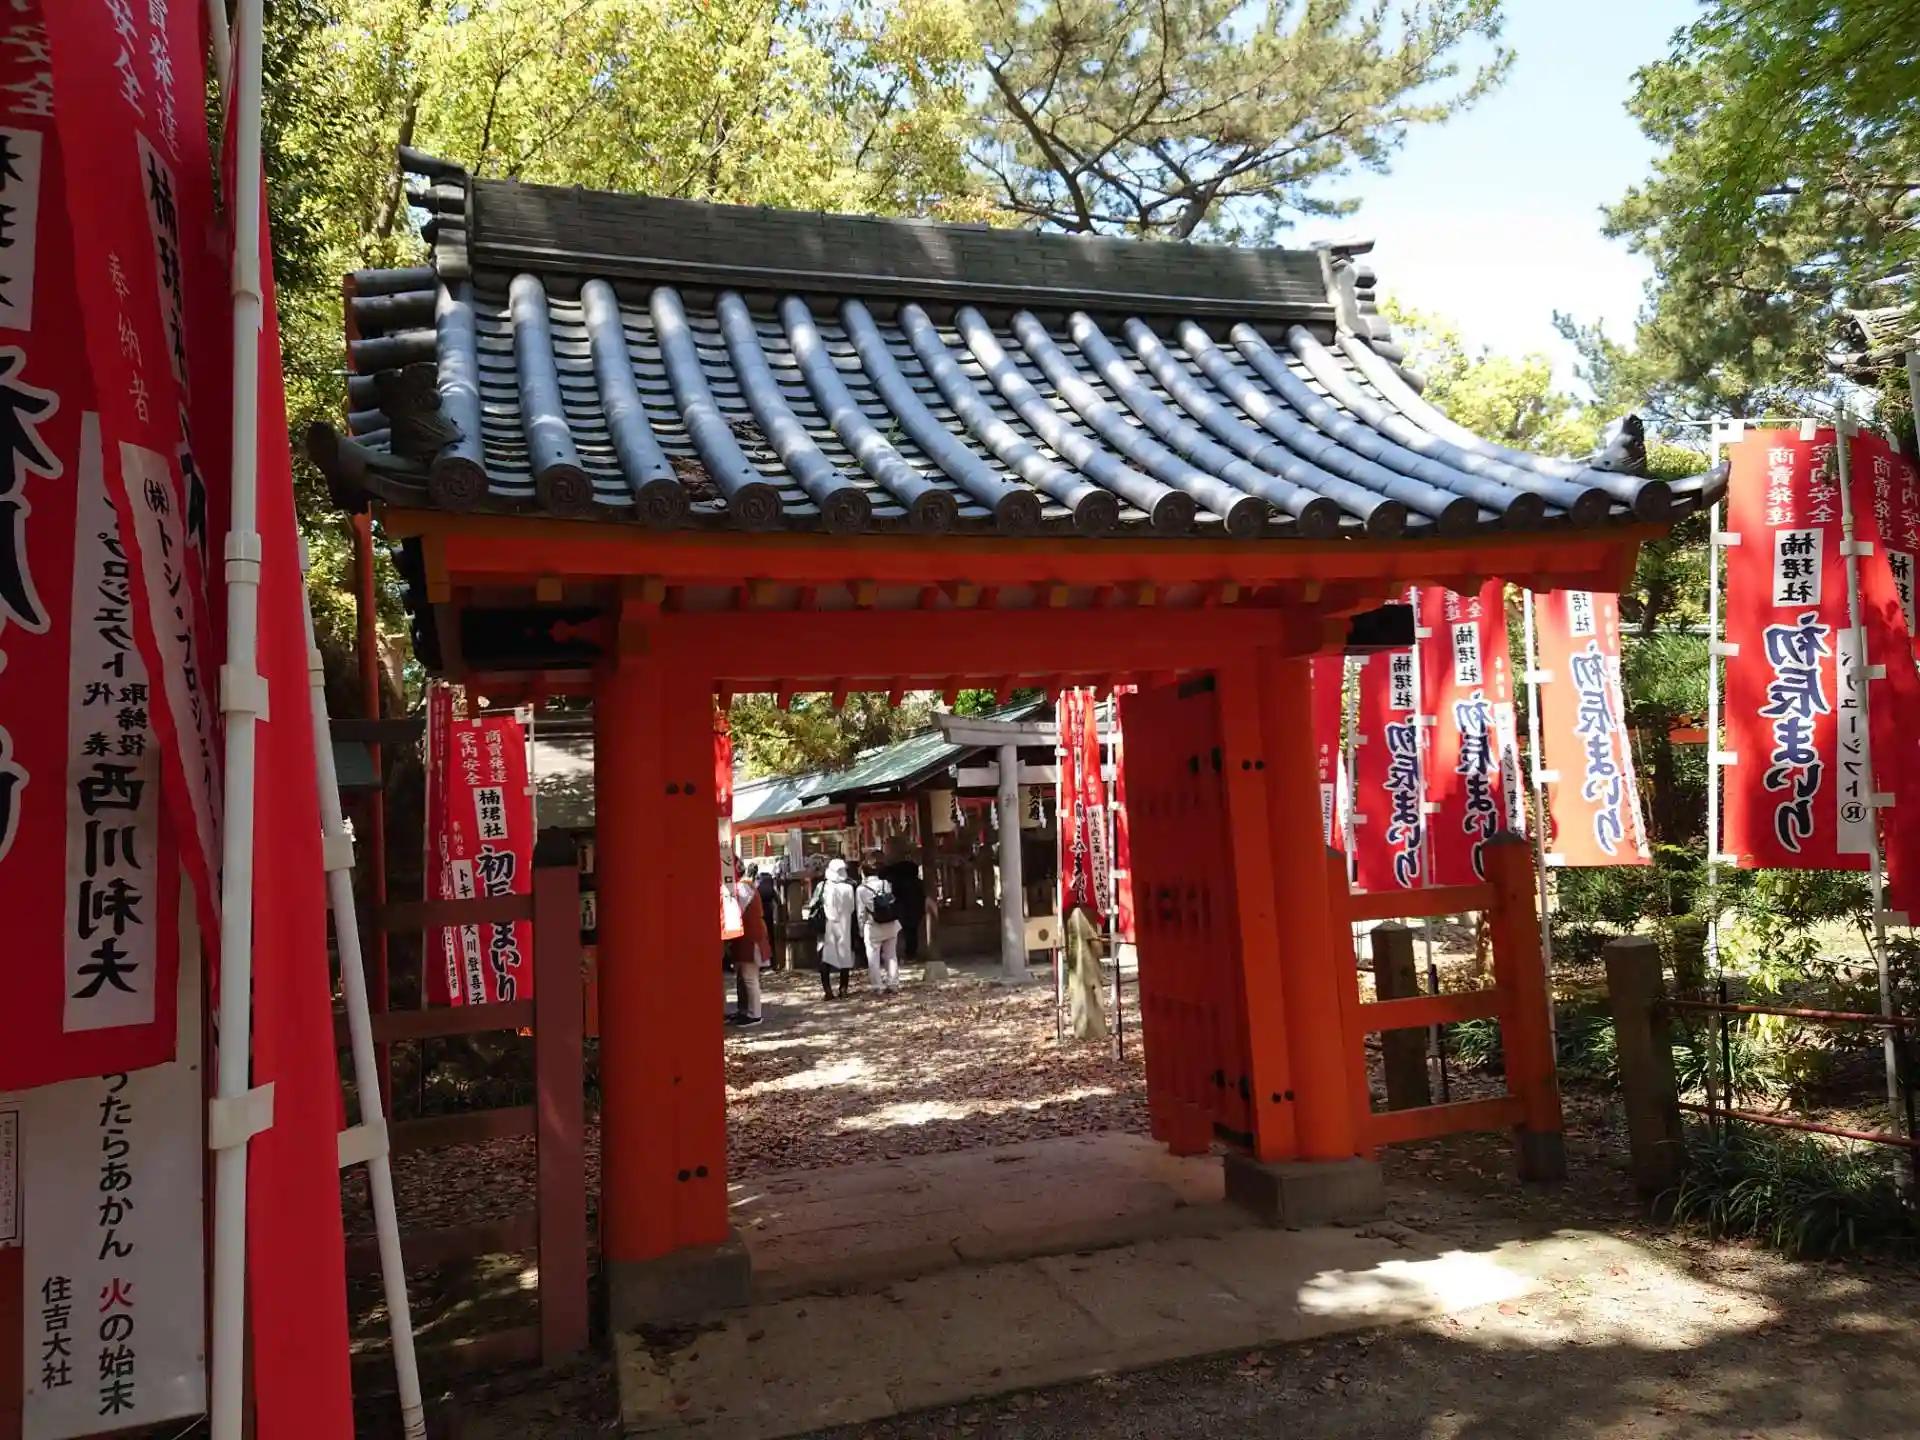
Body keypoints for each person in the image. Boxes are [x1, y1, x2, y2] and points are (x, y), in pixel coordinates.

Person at [807, 857, 859, 999]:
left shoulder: (823, 886)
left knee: (825, 957)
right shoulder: (849, 887)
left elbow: (813, 903)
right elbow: (852, 908)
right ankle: (843, 988)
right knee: (844, 956)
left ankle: (828, 990)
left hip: (826, 927)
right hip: (845, 925)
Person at [727, 859, 770, 1026]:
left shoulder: (742, 888)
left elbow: (734, 911)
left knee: (749, 977)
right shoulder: (746, 887)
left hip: (750, 937)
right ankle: (744, 1010)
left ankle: (754, 1014)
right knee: (743, 977)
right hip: (748, 936)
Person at [857, 850, 903, 996]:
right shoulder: (885, 884)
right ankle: (893, 983)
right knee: (891, 955)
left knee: (873, 958)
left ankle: (878, 986)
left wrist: (861, 929)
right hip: (890, 924)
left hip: (873, 926)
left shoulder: (861, 889)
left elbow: (861, 912)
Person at [879, 847, 925, 964]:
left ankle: (891, 954)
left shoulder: (894, 879)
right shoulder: (917, 882)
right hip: (915, 908)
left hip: (901, 909)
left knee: (895, 933)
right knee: (911, 932)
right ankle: (910, 954)